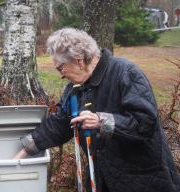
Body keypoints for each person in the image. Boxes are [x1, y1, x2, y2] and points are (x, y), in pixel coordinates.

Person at [14, 28, 180, 192]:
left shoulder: (125, 73)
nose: (61, 75)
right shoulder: (75, 88)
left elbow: (145, 123)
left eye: (60, 68)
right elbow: (61, 123)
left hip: (142, 178)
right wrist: (25, 149)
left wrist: (101, 122)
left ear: (79, 60)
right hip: (102, 178)